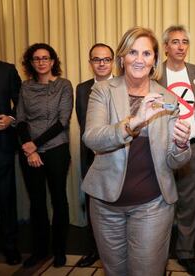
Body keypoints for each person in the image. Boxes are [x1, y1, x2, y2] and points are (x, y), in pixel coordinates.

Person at [81, 26, 192, 276]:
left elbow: (176, 161)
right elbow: (93, 138)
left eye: (146, 54)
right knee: (114, 271)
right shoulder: (102, 91)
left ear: (154, 60)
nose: (139, 60)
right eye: (133, 52)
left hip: (152, 205)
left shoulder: (168, 99)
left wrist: (182, 145)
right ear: (122, 57)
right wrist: (134, 121)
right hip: (106, 204)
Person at [158, 25, 195, 276]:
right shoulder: (155, 74)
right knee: (162, 202)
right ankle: (158, 251)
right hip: (162, 150)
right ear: (166, 46)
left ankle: (186, 254)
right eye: (175, 42)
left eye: (185, 42)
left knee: (190, 204)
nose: (180, 46)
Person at [16, 43, 73, 268]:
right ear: (31, 63)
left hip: (56, 149)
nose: (41, 62)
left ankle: (59, 250)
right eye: (36, 58)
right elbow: (20, 119)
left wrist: (34, 145)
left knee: (59, 199)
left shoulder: (63, 85)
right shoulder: (25, 87)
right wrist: (29, 148)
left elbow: (62, 121)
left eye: (45, 58)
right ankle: (40, 251)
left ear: (52, 61)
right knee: (37, 202)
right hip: (30, 152)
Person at [75, 43, 114, 267]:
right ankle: (94, 250)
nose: (101, 63)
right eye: (96, 59)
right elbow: (83, 124)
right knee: (94, 206)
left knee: (116, 206)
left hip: (119, 155)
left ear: (113, 62)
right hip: (91, 157)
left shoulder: (122, 85)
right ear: (90, 62)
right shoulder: (82, 88)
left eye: (106, 59)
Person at [0, 60, 22, 265]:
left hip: (1, 146)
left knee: (6, 199)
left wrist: (10, 119)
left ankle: (10, 247)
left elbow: (21, 102)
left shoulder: (7, 70)